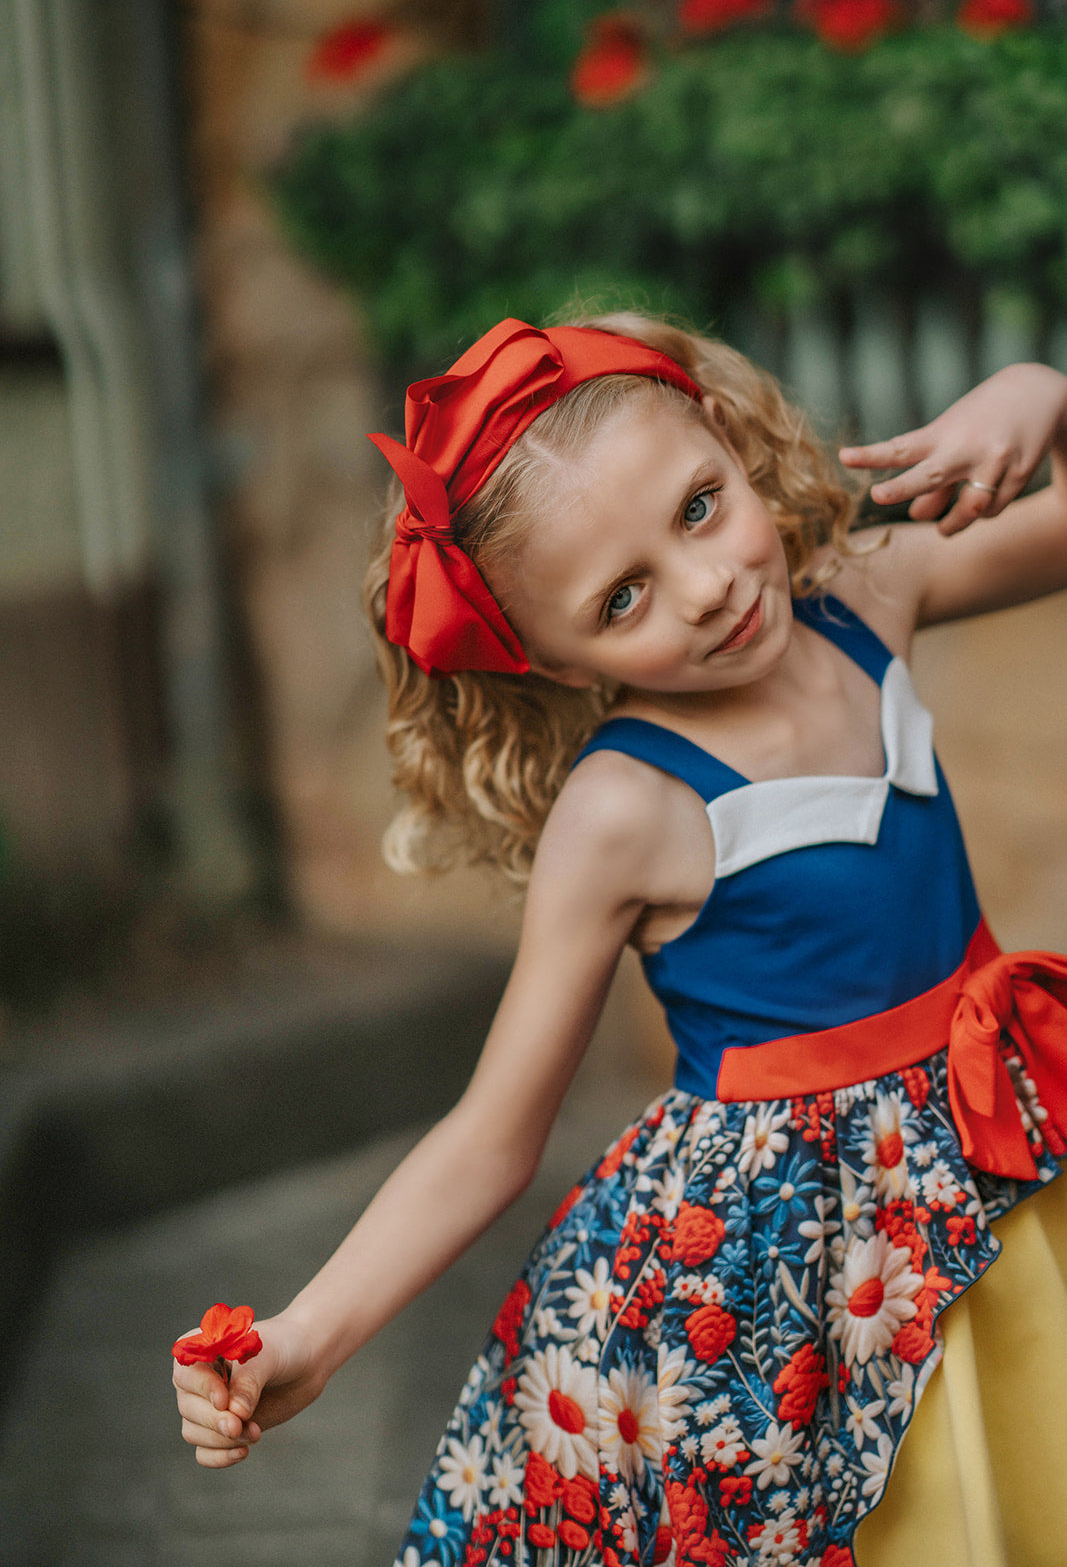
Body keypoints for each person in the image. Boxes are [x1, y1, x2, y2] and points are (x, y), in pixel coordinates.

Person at [172, 314, 1067, 1566]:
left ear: (726, 434)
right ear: (544, 657)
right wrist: (311, 1333)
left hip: (992, 1162)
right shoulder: (623, 807)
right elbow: (491, 1133)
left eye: (699, 507)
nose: (706, 589)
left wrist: (1040, 397)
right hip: (795, 1277)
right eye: (622, 597)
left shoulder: (869, 595)